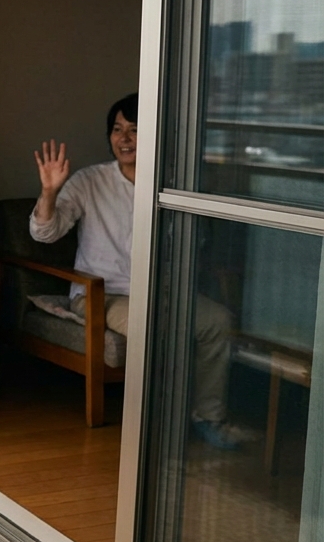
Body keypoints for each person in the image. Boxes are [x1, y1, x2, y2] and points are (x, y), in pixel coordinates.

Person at [32, 93, 247, 449]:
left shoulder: (171, 183)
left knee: (218, 321)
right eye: (117, 130)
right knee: (153, 325)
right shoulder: (90, 181)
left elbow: (196, 243)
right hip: (102, 295)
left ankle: (208, 417)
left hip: (159, 292)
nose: (124, 139)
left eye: (135, 130)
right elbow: (44, 233)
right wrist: (49, 192)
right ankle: (157, 427)